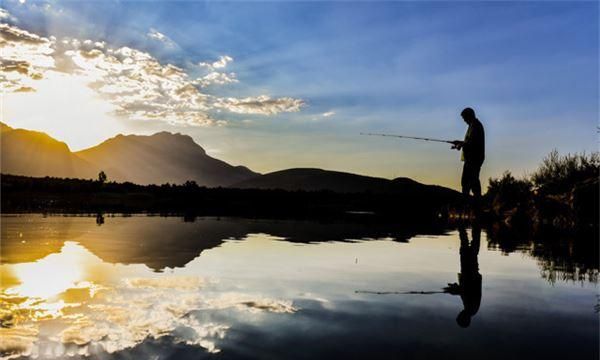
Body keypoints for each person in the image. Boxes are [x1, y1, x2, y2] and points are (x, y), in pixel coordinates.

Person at [444, 224, 482, 328]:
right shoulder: (471, 308)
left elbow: (464, 291)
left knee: (469, 244)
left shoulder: (469, 309)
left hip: (468, 270)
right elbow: (468, 291)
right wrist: (455, 290)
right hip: (470, 269)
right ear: (464, 318)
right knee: (468, 243)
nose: (459, 312)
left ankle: (469, 224)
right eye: (460, 315)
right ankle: (472, 222)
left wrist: (455, 288)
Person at [451, 108, 485, 209]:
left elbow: (472, 143)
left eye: (465, 118)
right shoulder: (472, 125)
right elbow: (469, 142)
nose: (464, 121)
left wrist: (460, 143)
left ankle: (468, 205)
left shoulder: (475, 126)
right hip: (473, 158)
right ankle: (475, 204)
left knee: (467, 182)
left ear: (469, 116)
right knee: (473, 181)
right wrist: (459, 145)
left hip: (474, 159)